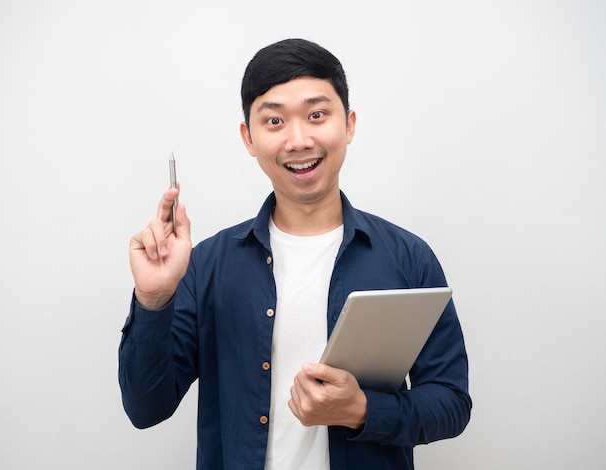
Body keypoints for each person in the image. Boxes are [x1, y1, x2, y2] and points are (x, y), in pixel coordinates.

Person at [119, 38, 471, 470]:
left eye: (317, 115)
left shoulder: (407, 257)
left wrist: (362, 410)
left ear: (350, 124)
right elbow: (145, 408)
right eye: (274, 121)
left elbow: (452, 401)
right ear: (249, 138)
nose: (299, 139)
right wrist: (154, 300)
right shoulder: (207, 266)